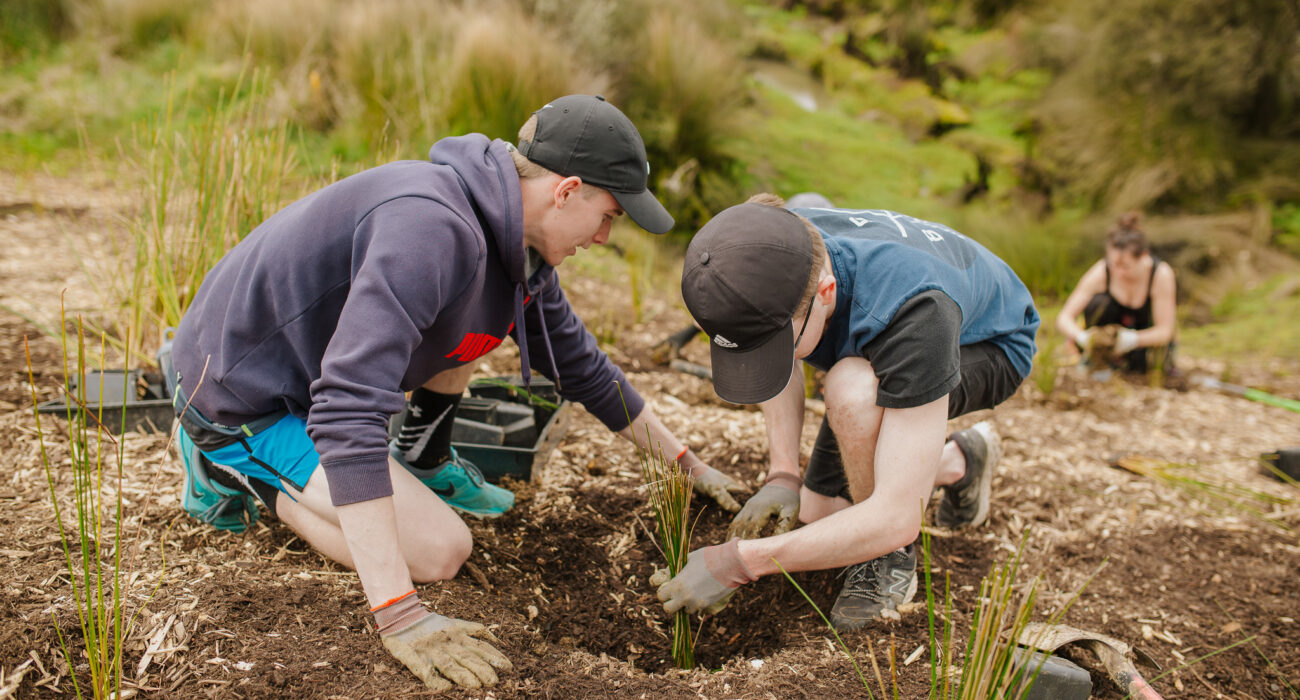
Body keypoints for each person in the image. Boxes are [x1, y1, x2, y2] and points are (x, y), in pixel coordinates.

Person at [169, 94, 743, 692]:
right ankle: (226, 467)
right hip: (242, 394)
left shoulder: (516, 242)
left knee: (472, 320)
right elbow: (349, 406)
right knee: (441, 551)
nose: (603, 236)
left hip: (311, 369)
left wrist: (689, 465)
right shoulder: (430, 230)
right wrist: (400, 616)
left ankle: (422, 458)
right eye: (608, 216)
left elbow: (582, 368)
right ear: (567, 190)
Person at [657, 194, 1039, 631]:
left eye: (776, 346)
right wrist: (783, 474)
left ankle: (889, 561)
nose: (769, 357)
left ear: (826, 293)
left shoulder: (919, 315)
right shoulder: (776, 244)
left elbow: (896, 518)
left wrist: (741, 562)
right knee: (819, 514)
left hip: (989, 343)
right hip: (892, 326)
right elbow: (776, 363)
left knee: (853, 389)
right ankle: (960, 461)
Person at [1055, 212, 1177, 374]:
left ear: (1143, 256)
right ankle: (1098, 361)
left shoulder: (1161, 275)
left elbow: (1165, 331)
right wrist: (1082, 337)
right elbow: (1064, 318)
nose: (1118, 272)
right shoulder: (1101, 271)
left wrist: (1133, 340)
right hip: (1105, 342)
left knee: (1150, 367)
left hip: (1143, 343)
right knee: (1099, 303)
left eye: (1126, 266)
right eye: (1113, 265)